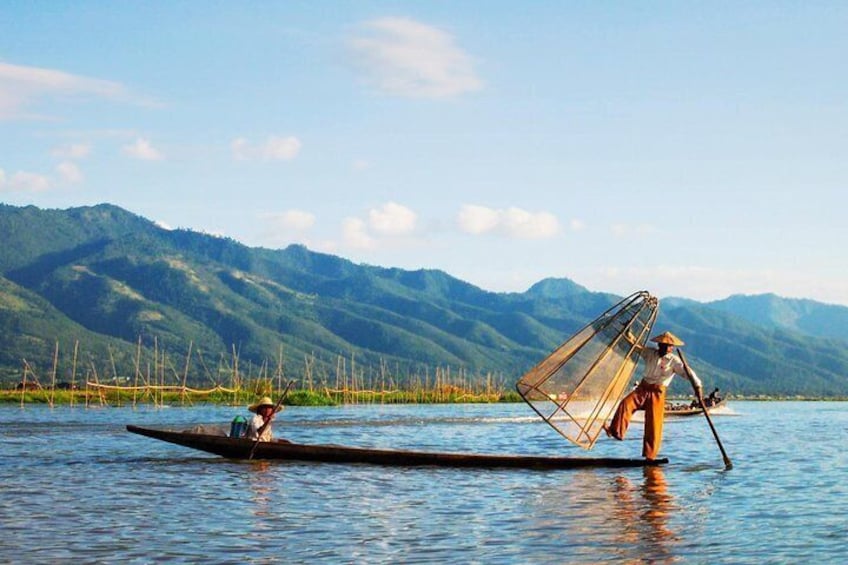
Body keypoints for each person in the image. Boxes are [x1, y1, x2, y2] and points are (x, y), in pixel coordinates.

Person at [605, 331, 703, 460]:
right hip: (643, 388)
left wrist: (699, 393)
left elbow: (691, 375)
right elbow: (636, 346)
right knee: (625, 404)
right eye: (662, 345)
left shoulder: (675, 361)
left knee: (653, 424)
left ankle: (650, 456)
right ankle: (616, 431)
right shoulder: (650, 353)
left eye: (667, 346)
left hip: (658, 392)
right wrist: (629, 335)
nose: (664, 347)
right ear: (658, 345)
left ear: (671, 347)